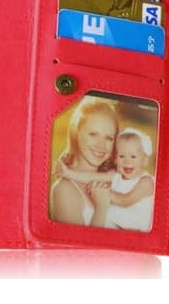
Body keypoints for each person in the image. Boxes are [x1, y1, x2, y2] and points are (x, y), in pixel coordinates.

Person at [56, 127, 155, 232]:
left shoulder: (146, 182)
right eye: (121, 156)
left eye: (133, 157)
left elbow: (125, 201)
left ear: (145, 160)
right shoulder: (116, 175)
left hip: (137, 231)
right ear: (115, 160)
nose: (127, 161)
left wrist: (105, 193)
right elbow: (92, 177)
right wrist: (69, 173)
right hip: (116, 226)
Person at [49, 96, 119, 227]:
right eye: (93, 134)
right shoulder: (65, 190)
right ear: (76, 132)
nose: (101, 145)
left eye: (109, 138)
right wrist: (101, 208)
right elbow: (78, 242)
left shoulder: (115, 179)